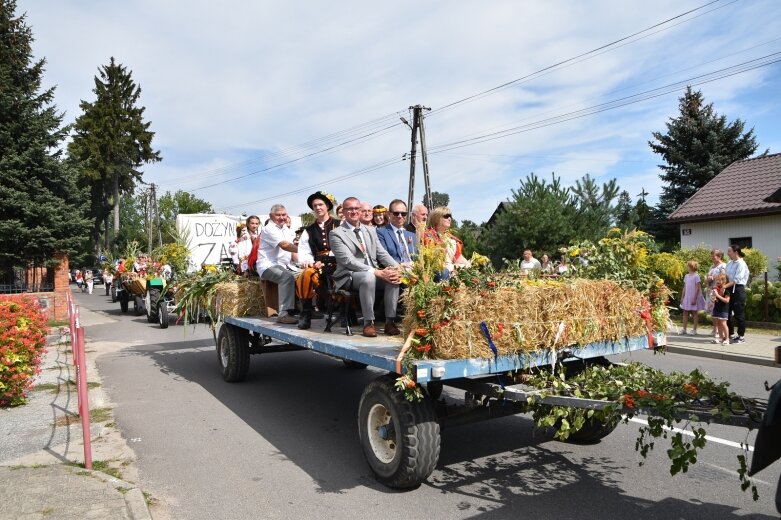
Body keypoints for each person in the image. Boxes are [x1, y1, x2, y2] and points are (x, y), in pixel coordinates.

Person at [330, 196, 401, 338]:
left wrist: (398, 268)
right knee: (369, 277)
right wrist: (375, 271)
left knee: (393, 277)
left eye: (356, 208)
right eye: (349, 209)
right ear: (343, 211)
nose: (354, 211)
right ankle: (368, 323)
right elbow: (348, 261)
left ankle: (389, 322)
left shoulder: (370, 230)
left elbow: (382, 253)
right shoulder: (336, 233)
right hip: (349, 275)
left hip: (372, 272)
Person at [295, 191, 340, 330]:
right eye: (315, 206)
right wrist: (309, 261)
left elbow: (346, 245)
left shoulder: (340, 224)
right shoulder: (308, 230)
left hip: (340, 262)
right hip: (318, 264)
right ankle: (306, 313)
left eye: (321, 204)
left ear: (327, 206)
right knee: (305, 274)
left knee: (346, 274)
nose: (318, 208)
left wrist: (327, 259)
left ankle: (347, 312)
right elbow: (304, 251)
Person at [257, 205, 299, 324]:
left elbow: (293, 253)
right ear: (271, 216)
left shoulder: (286, 229)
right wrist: (305, 251)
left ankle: (307, 309)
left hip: (285, 266)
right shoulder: (269, 229)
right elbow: (285, 245)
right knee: (286, 277)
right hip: (267, 266)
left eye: (284, 215)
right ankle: (283, 314)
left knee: (307, 275)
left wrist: (306, 260)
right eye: (278, 215)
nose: (281, 217)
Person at [424, 207, 470, 280]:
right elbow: (432, 261)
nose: (449, 218)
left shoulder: (452, 239)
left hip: (452, 269)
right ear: (436, 218)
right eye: (446, 216)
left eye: (450, 216)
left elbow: (457, 256)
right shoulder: (427, 235)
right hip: (438, 272)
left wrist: (467, 264)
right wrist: (452, 267)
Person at [377, 199, 417, 264]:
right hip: (396, 270)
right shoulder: (381, 233)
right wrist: (402, 267)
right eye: (396, 213)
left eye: (403, 213)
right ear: (389, 214)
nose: (400, 216)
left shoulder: (412, 235)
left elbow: (418, 256)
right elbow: (383, 257)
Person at [724, 244, 749, 344]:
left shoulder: (741, 264)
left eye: (729, 251)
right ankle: (731, 334)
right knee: (728, 312)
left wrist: (724, 286)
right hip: (729, 288)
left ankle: (741, 336)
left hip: (738, 289)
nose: (727, 253)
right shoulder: (729, 263)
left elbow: (736, 280)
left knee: (739, 314)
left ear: (736, 252)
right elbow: (726, 276)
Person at [704, 249, 727, 336]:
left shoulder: (723, 266)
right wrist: (707, 279)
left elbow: (724, 278)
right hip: (710, 291)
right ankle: (715, 329)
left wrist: (714, 278)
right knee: (713, 311)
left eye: (714, 256)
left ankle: (720, 331)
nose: (712, 258)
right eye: (712, 256)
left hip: (718, 291)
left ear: (719, 256)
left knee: (718, 310)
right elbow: (706, 280)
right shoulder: (711, 267)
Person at [680, 260, 705, 335]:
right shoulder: (686, 276)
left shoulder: (696, 276)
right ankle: (684, 329)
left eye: (688, 266)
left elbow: (697, 288)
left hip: (693, 297)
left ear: (691, 267)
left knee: (695, 313)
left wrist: (694, 298)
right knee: (685, 312)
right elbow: (685, 287)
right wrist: (682, 297)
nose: (687, 267)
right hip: (687, 297)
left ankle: (694, 329)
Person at [710, 273, 731, 345]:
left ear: (724, 281)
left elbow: (727, 300)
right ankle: (721, 339)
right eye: (716, 280)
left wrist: (717, 295)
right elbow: (714, 298)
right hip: (717, 308)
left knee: (723, 323)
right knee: (718, 324)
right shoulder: (716, 289)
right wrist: (713, 298)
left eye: (719, 280)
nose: (717, 281)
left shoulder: (726, 290)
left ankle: (727, 339)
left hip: (723, 309)